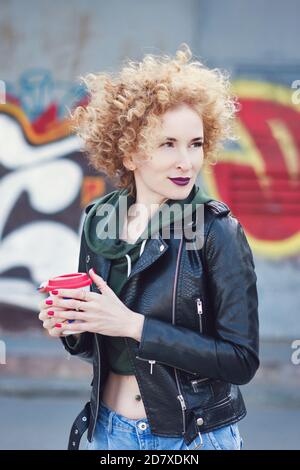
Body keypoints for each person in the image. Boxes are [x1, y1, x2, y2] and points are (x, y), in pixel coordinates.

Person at [38, 43, 259, 451]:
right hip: (107, 431)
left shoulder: (218, 231)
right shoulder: (98, 220)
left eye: (195, 144)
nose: (186, 162)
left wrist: (134, 326)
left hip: (191, 437)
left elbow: (240, 360)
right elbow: (102, 347)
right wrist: (71, 326)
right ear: (129, 151)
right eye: (168, 144)